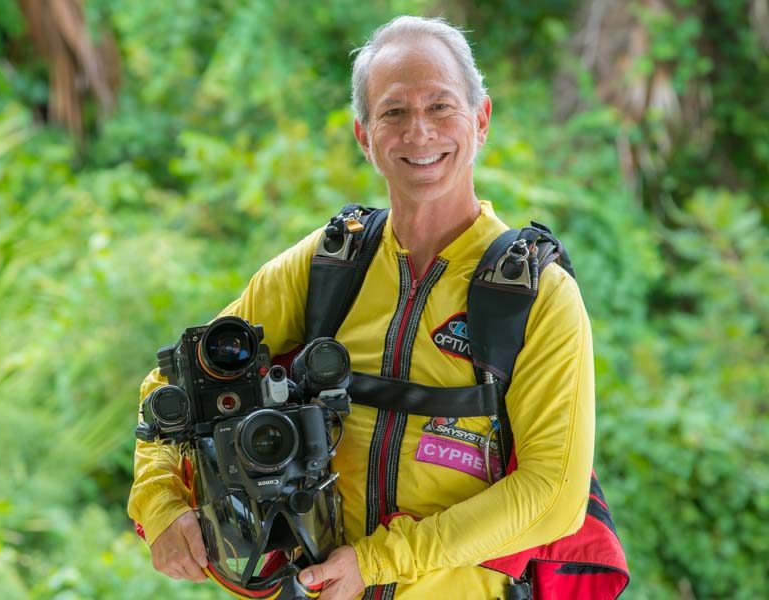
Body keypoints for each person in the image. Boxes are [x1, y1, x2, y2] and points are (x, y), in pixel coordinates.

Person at [129, 16, 601, 599]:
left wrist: (378, 562)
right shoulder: (328, 266)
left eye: (441, 107)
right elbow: (172, 382)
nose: (419, 133)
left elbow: (553, 495)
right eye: (394, 113)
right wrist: (161, 502)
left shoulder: (537, 295)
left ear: (481, 121)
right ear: (365, 135)